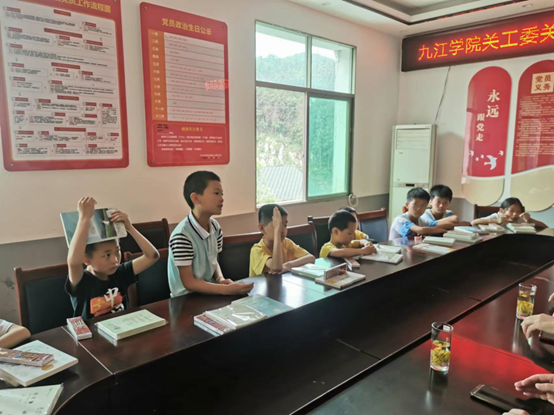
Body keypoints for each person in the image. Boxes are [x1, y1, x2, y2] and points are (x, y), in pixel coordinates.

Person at [66, 197, 160, 319]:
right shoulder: (82, 281)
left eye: (117, 251)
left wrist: (130, 228)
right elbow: (74, 263)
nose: (115, 260)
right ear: (86, 260)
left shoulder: (121, 272)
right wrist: (84, 219)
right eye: (107, 255)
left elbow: (152, 255)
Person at [168, 171, 253, 297]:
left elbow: (213, 260)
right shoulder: (182, 236)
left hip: (210, 293)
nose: (222, 199)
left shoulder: (215, 226)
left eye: (222, 194)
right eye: (216, 193)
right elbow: (189, 283)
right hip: (186, 299)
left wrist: (220, 279)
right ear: (195, 198)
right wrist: (226, 289)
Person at [249, 204, 315, 276]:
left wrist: (289, 265)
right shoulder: (257, 250)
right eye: (276, 226)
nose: (283, 230)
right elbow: (277, 267)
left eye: (285, 225)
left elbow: (311, 258)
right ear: (262, 228)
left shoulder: (286, 243)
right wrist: (277, 233)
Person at [471, 197, 548, 228]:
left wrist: (529, 219)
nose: (515, 214)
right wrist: (496, 221)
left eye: (518, 211)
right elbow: (474, 222)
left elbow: (545, 227)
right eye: (511, 211)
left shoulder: (519, 218)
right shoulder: (497, 216)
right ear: (501, 211)